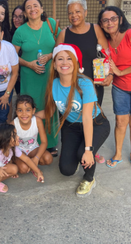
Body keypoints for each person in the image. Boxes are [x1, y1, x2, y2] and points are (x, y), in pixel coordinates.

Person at [43, 44, 110, 196]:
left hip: (96, 123)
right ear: (54, 64)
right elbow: (52, 110)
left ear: (76, 63)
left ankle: (89, 178)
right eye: (60, 59)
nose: (64, 63)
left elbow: (87, 118)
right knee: (66, 170)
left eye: (69, 59)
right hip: (71, 127)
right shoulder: (53, 84)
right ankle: (79, 150)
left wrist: (88, 150)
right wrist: (28, 115)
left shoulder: (84, 83)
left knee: (84, 154)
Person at [98, 6, 131, 172]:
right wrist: (111, 74)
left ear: (120, 19)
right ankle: (118, 154)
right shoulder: (108, 41)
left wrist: (120, 72)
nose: (109, 22)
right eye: (105, 20)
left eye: (113, 18)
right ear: (101, 24)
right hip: (120, 87)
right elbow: (109, 63)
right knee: (120, 122)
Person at [12, 0, 60, 157]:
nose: (32, 9)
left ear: (41, 8)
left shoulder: (51, 25)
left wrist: (50, 55)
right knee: (31, 107)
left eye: (35, 5)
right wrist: (29, 64)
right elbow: (13, 56)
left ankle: (51, 143)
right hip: (29, 77)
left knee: (49, 105)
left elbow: (61, 46)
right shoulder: (20, 31)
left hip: (50, 76)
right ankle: (33, 142)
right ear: (25, 13)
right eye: (28, 7)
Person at [0, 123, 44, 211]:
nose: (18, 137)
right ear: (5, 140)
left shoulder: (12, 149)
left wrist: (38, 172)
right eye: (14, 135)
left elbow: (27, 159)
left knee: (14, 169)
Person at [12, 95, 53, 175]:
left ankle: (31, 162)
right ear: (16, 111)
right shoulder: (13, 124)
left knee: (48, 158)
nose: (24, 114)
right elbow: (10, 147)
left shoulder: (37, 121)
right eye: (20, 110)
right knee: (23, 169)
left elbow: (44, 142)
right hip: (19, 151)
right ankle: (20, 162)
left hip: (33, 149)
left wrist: (36, 158)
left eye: (28, 110)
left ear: (33, 111)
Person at [10, 5, 24, 95]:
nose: (17, 19)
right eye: (15, 16)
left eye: (20, 17)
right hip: (15, 74)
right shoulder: (10, 33)